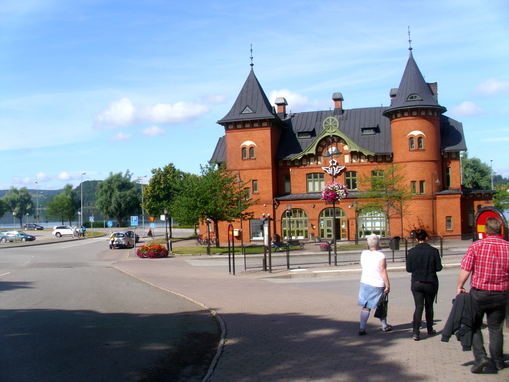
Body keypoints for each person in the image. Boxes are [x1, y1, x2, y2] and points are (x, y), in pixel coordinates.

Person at [457, 217, 509, 373]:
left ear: (486, 230)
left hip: (479, 293)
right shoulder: (508, 247)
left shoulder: (476, 246)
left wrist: (460, 285)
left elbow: (466, 268)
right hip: (501, 293)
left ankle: (480, 357)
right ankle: (499, 361)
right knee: (495, 328)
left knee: (474, 324)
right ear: (500, 231)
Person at [406, 229, 442, 341]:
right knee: (429, 307)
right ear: (427, 238)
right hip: (430, 282)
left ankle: (416, 332)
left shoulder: (411, 252)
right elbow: (438, 267)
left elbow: (409, 269)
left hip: (417, 282)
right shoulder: (434, 251)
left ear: (416, 239)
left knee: (418, 307)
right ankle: (430, 329)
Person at [357, 234, 392, 335]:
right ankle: (384, 325)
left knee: (365, 306)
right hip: (377, 283)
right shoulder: (381, 255)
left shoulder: (363, 253)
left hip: (365, 281)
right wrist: (387, 284)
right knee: (381, 304)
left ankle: (362, 327)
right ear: (378, 243)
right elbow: (382, 270)